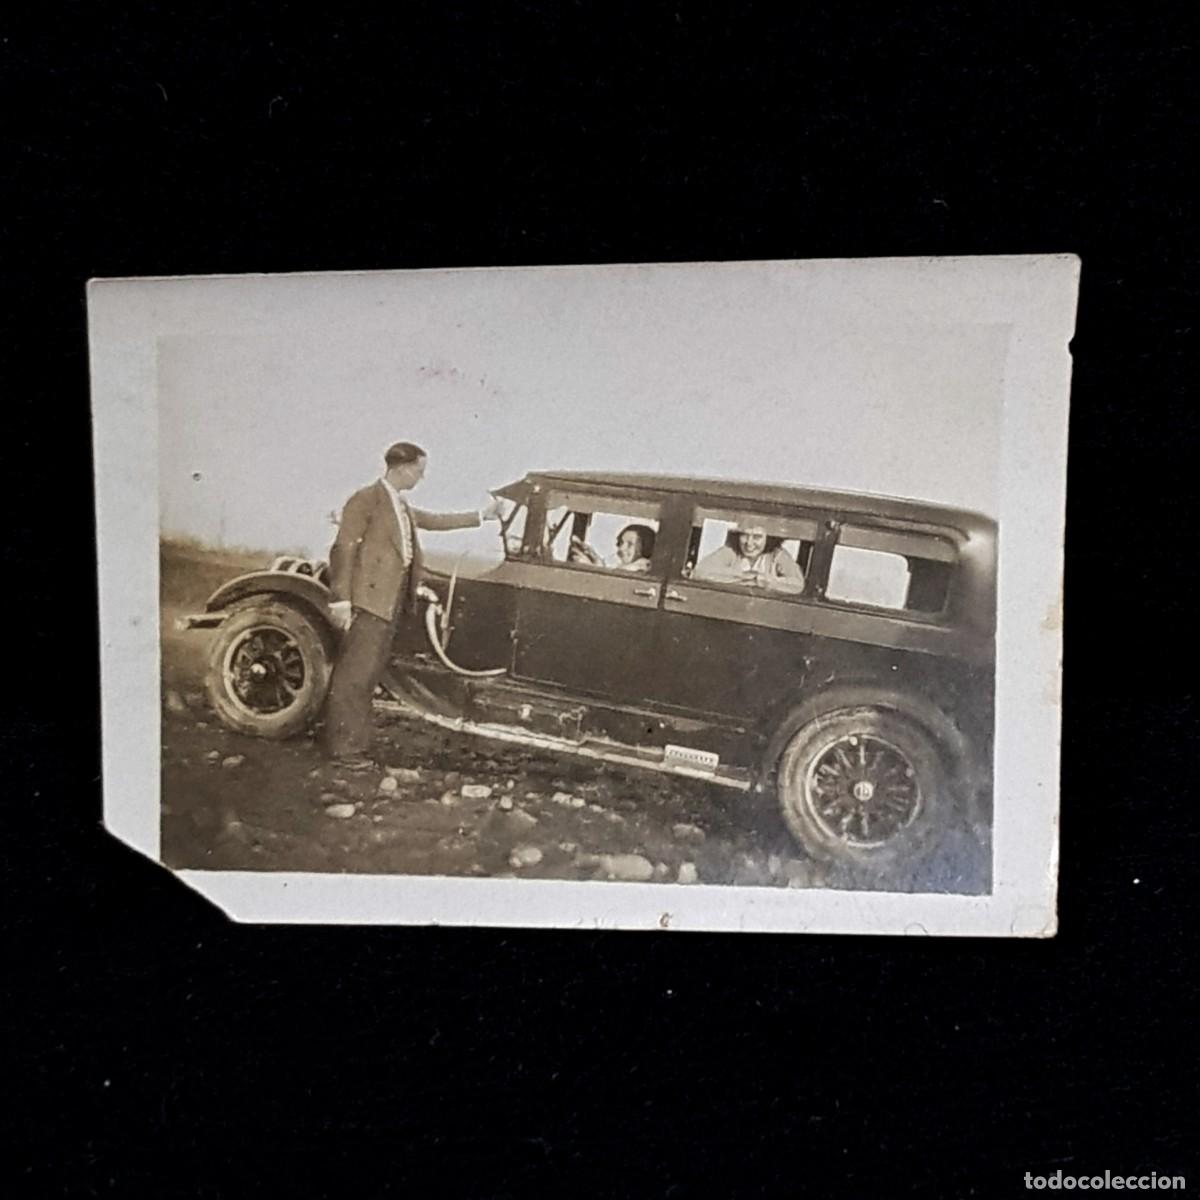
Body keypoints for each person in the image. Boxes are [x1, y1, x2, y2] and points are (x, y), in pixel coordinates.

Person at [319, 441, 502, 768]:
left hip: (389, 603)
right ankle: (344, 751)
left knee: (369, 675)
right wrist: (342, 600)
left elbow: (434, 520)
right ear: (403, 468)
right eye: (419, 471)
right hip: (369, 601)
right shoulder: (366, 499)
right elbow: (343, 548)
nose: (421, 478)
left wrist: (481, 516)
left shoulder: (399, 506)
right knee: (354, 676)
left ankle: (355, 745)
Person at [693, 523, 805, 593]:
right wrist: (751, 578)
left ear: (769, 538)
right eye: (744, 535)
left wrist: (767, 582)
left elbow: (798, 584)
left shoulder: (777, 555)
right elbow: (701, 571)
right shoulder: (731, 551)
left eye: (757, 537)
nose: (749, 543)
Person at [569, 523, 656, 572]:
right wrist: (597, 561)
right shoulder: (627, 566)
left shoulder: (643, 566)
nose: (621, 548)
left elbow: (615, 577)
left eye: (630, 544)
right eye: (621, 543)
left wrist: (590, 567)